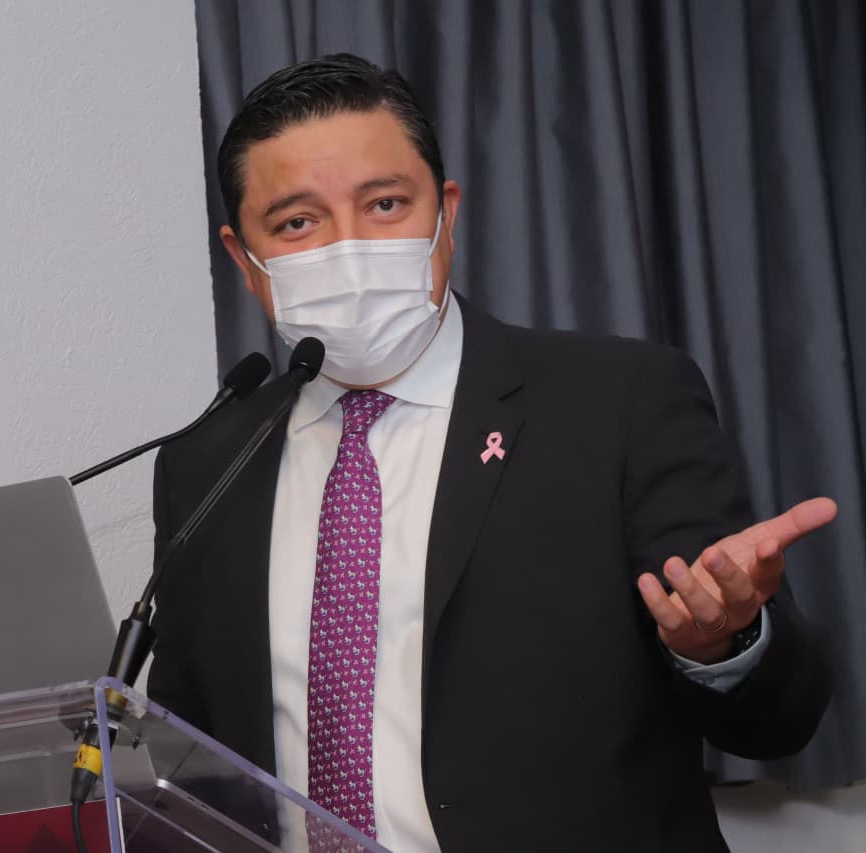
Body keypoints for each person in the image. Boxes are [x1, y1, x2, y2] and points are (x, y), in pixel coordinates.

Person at [147, 54, 834, 852]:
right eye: (298, 222)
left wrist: (722, 643)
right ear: (246, 260)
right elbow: (188, 760)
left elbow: (780, 719)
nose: (349, 249)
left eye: (385, 204)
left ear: (446, 214)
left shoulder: (620, 402)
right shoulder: (207, 464)